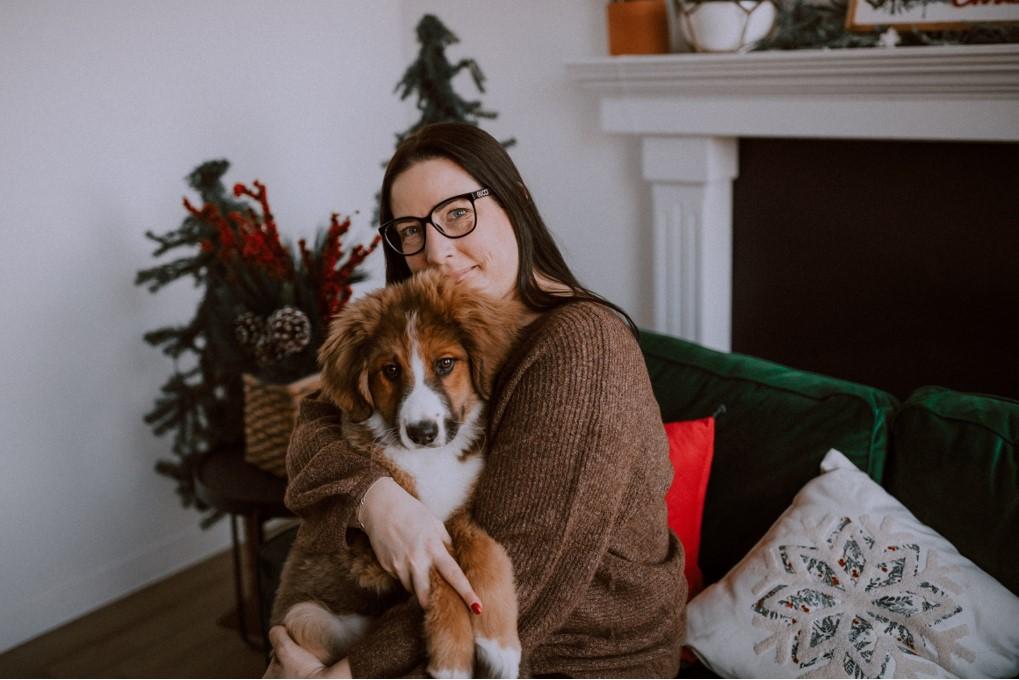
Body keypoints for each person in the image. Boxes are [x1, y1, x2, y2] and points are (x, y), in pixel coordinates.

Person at [266, 122, 687, 678]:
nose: (437, 251)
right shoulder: (437, 321)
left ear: (517, 201)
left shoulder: (581, 346)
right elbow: (316, 422)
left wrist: (343, 677)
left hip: (578, 655)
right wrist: (374, 500)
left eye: (458, 213)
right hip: (445, 623)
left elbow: (517, 581)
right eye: (411, 230)